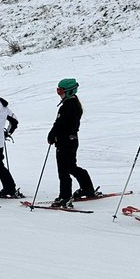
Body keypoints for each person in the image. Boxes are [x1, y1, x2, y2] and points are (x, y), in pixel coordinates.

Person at [47, 78, 98, 207]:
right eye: (58, 90)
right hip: (72, 140)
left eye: (61, 90)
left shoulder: (68, 106)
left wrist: (52, 135)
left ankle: (65, 196)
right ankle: (87, 188)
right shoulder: (73, 104)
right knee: (71, 167)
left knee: (63, 170)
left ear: (69, 91)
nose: (59, 93)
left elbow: (60, 124)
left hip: (65, 141)